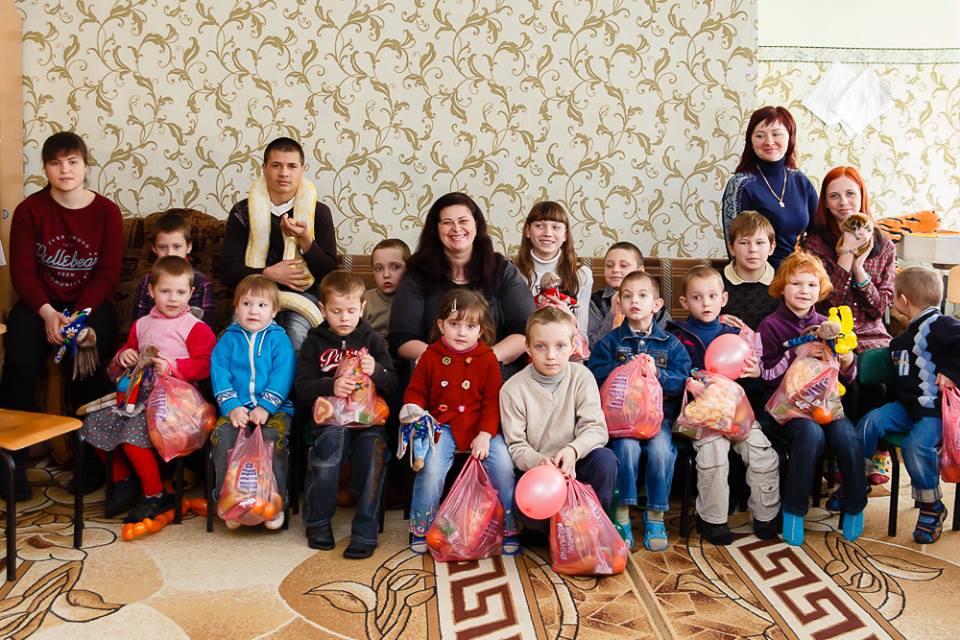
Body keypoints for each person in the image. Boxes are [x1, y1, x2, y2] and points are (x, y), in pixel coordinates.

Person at [0, 131, 122, 500]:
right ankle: (11, 464)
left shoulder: (106, 212)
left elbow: (107, 275)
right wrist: (48, 312)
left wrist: (77, 318)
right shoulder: (30, 210)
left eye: (72, 162)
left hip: (89, 306)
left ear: (85, 166)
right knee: (19, 362)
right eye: (55, 163)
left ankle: (92, 462)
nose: (64, 170)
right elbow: (22, 272)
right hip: (40, 305)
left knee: (87, 363)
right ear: (46, 169)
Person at [80, 256, 215, 521]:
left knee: (133, 434)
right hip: (137, 395)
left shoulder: (195, 328)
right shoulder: (142, 324)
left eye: (180, 292)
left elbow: (206, 364)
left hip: (175, 401)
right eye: (165, 291)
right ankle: (124, 480)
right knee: (94, 424)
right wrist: (124, 356)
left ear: (191, 293)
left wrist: (173, 367)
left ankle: (156, 495)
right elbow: (127, 350)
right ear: (151, 291)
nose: (173, 298)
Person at [666, 266, 780, 545]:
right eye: (697, 297)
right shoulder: (676, 337)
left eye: (712, 296)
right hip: (700, 418)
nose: (705, 303)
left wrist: (755, 374)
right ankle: (713, 521)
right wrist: (690, 383)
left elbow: (753, 386)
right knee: (713, 454)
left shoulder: (736, 335)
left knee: (762, 451)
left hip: (736, 414)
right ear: (684, 302)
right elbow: (671, 380)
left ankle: (766, 516)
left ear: (723, 299)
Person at [757, 251, 864, 546]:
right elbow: (763, 376)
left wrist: (846, 361)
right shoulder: (770, 325)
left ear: (821, 290)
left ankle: (854, 505)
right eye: (796, 283)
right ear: (782, 287)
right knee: (810, 435)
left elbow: (848, 379)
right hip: (785, 409)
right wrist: (796, 353)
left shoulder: (828, 324)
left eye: (812, 285)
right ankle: (793, 511)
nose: (804, 291)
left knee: (849, 437)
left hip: (824, 405)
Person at [403, 289, 518, 555]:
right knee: (430, 468)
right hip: (442, 424)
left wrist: (486, 434)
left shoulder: (487, 359)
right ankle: (422, 528)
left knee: (503, 465)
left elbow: (492, 402)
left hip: (482, 427)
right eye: (454, 324)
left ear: (480, 330)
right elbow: (416, 391)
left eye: (470, 326)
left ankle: (508, 527)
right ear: (441, 324)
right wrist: (414, 410)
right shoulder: (430, 355)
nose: (461, 332)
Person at [295, 271, 397, 559]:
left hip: (367, 423)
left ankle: (365, 531)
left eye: (351, 311)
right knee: (330, 447)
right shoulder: (314, 343)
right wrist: (331, 386)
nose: (344, 318)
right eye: (336, 311)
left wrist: (378, 370)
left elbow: (393, 387)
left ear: (362, 308)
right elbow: (301, 387)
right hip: (328, 422)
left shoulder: (373, 341)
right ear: (322, 309)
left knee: (374, 453)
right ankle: (317, 522)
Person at [588, 270, 690, 551]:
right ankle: (621, 513)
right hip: (621, 420)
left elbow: (683, 380)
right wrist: (623, 371)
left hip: (658, 418)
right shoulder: (610, 342)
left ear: (656, 304)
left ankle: (656, 514)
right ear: (619, 304)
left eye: (642, 296)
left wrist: (658, 374)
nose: (635, 301)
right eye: (627, 296)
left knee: (661, 451)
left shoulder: (670, 343)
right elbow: (594, 375)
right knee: (626, 449)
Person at [858, 267, 960, 544]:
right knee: (869, 423)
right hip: (906, 407)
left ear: (903, 299)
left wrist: (951, 371)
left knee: (916, 445)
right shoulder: (902, 338)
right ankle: (857, 481)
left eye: (893, 296)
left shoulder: (941, 325)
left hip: (935, 412)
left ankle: (931, 506)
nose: (891, 301)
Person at [500, 307, 617, 540]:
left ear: (573, 346)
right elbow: (516, 445)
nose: (551, 355)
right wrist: (539, 462)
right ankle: (551, 532)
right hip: (538, 473)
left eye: (560, 346)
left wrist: (573, 450)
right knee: (533, 522)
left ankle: (591, 525)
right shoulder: (512, 390)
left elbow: (596, 428)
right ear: (528, 347)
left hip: (576, 463)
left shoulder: (582, 377)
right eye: (541, 346)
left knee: (605, 460)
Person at [389, 192, 534, 377]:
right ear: (436, 229)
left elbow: (526, 330)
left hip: (493, 369)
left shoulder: (502, 271)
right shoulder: (418, 273)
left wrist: (481, 360)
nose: (456, 228)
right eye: (447, 222)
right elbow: (402, 338)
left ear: (476, 224)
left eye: (463, 221)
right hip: (435, 371)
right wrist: (445, 361)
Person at [220, 137, 337, 350]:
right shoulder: (242, 212)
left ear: (302, 169)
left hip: (304, 297)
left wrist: (305, 239)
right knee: (241, 343)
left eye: (292, 166)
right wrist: (267, 274)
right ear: (264, 168)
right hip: (253, 296)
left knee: (296, 338)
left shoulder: (319, 212)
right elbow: (227, 271)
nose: (284, 173)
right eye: (276, 165)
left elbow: (328, 273)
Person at [210, 275, 294, 531]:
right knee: (223, 439)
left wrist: (266, 406)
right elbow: (219, 374)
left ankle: (274, 502)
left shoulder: (279, 340)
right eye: (246, 304)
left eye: (261, 305)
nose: (253, 311)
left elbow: (283, 375)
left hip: (274, 409)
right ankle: (229, 501)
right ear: (236, 307)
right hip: (235, 408)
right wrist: (232, 407)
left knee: (272, 441)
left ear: (274, 310)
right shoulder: (228, 339)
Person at [800, 166, 895, 351]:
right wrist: (847, 252)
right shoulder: (813, 245)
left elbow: (878, 310)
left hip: (871, 335)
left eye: (850, 194)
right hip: (827, 332)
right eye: (834, 196)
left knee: (890, 363)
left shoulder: (885, 246)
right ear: (826, 203)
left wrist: (859, 269)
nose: (843, 202)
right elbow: (827, 301)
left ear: (861, 195)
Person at [721, 106, 818, 267]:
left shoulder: (800, 180)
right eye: (760, 135)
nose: (769, 142)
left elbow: (818, 233)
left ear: (790, 137)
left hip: (798, 274)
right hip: (759, 276)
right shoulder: (741, 185)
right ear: (751, 141)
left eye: (776, 134)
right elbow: (735, 248)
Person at [514, 201, 593, 333]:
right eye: (539, 226)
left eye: (556, 227)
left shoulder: (582, 274)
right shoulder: (512, 273)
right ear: (528, 231)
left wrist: (567, 315)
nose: (548, 233)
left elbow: (582, 334)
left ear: (565, 235)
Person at [132, 211, 215, 327]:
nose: (170, 253)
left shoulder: (202, 283)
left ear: (189, 247)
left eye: (177, 246)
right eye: (163, 247)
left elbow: (207, 328)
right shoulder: (147, 281)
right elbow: (138, 325)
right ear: (154, 249)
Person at [587, 242, 670, 349]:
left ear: (640, 271)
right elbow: (591, 346)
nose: (615, 269)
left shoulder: (652, 304)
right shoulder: (596, 302)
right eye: (609, 265)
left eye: (624, 265)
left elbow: (667, 344)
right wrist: (612, 314)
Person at [720, 211, 779, 331]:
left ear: (771, 247)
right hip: (727, 341)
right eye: (744, 243)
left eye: (760, 243)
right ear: (731, 248)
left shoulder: (783, 281)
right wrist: (714, 322)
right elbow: (694, 323)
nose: (752, 249)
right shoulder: (715, 281)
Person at [364, 238, 410, 340]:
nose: (386, 275)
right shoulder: (364, 301)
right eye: (378, 269)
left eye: (394, 267)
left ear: (408, 269)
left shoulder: (415, 301)